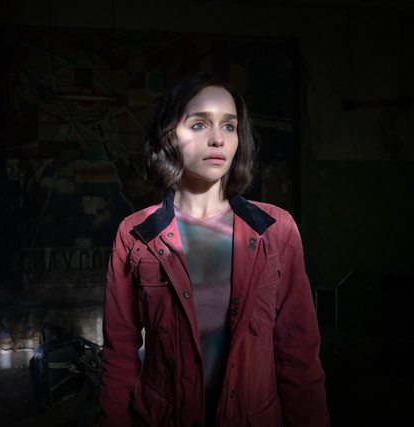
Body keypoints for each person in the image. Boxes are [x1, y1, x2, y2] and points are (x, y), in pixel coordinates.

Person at [98, 73, 329, 427]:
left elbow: (298, 352)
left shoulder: (276, 230)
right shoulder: (136, 235)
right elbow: (119, 355)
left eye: (229, 126)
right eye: (199, 124)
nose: (218, 139)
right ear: (169, 136)